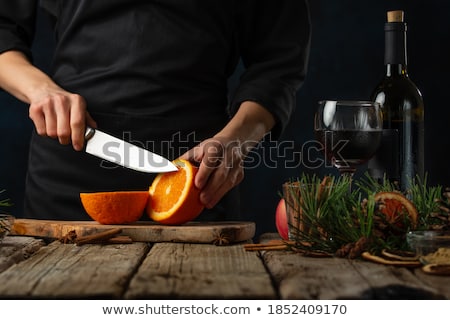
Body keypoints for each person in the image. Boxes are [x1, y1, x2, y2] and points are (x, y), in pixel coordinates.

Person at [0, 0, 311, 221]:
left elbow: (279, 61)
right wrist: (42, 90)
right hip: (71, 161)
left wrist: (237, 140)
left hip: (198, 172)